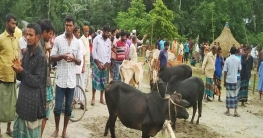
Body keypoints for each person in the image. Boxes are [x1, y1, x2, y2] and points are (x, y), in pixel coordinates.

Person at [12, 23, 47, 138]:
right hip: (23, 100)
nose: (27, 37)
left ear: (37, 37)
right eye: (26, 34)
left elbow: (37, 81)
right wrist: (18, 70)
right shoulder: (27, 53)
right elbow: (21, 78)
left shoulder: (41, 57)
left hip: (32, 103)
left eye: (31, 35)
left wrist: (22, 71)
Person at [50, 16, 81, 138]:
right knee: (57, 108)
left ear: (73, 26)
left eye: (70, 25)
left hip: (71, 82)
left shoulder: (77, 43)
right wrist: (62, 56)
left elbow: (79, 61)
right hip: (60, 80)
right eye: (66, 25)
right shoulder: (58, 40)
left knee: (68, 109)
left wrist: (74, 59)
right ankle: (57, 129)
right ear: (65, 26)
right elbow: (52, 57)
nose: (68, 27)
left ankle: (64, 131)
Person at [0, 13, 18, 138]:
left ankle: (8, 128)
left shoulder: (16, 39)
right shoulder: (1, 38)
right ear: (7, 23)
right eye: (12, 23)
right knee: (1, 104)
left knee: (12, 105)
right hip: (2, 77)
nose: (14, 26)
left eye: (15, 24)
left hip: (13, 77)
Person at [37, 19, 55, 137]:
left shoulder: (43, 44)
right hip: (41, 85)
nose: (51, 37)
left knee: (44, 115)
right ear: (44, 32)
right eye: (50, 34)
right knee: (43, 115)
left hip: (45, 83)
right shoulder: (37, 47)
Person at [91, 25, 111, 106]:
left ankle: (101, 98)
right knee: (95, 81)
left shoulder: (109, 41)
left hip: (105, 64)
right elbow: (93, 51)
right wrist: (98, 63)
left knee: (103, 82)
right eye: (106, 32)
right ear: (103, 31)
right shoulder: (97, 39)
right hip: (97, 63)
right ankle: (93, 98)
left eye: (108, 32)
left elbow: (109, 53)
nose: (107, 34)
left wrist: (106, 64)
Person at [223, 46, 242, 117]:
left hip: (228, 79)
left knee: (228, 95)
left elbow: (225, 71)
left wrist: (224, 81)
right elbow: (240, 69)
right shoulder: (238, 59)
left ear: (230, 51)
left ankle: (228, 111)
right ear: (236, 52)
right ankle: (235, 111)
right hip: (235, 79)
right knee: (235, 95)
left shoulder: (227, 60)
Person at [73, 26, 86, 109]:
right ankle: (73, 102)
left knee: (81, 85)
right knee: (73, 85)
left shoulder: (80, 42)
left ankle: (81, 102)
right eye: (77, 32)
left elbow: (83, 55)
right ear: (74, 33)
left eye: (79, 32)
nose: (79, 34)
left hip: (80, 67)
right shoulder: (72, 41)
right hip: (74, 68)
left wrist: (84, 66)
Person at [80, 26, 90, 92]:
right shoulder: (82, 39)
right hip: (84, 60)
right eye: (86, 31)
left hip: (88, 59)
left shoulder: (87, 38)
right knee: (84, 75)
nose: (87, 32)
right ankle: (83, 88)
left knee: (87, 75)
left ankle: (85, 87)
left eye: (88, 31)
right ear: (83, 31)